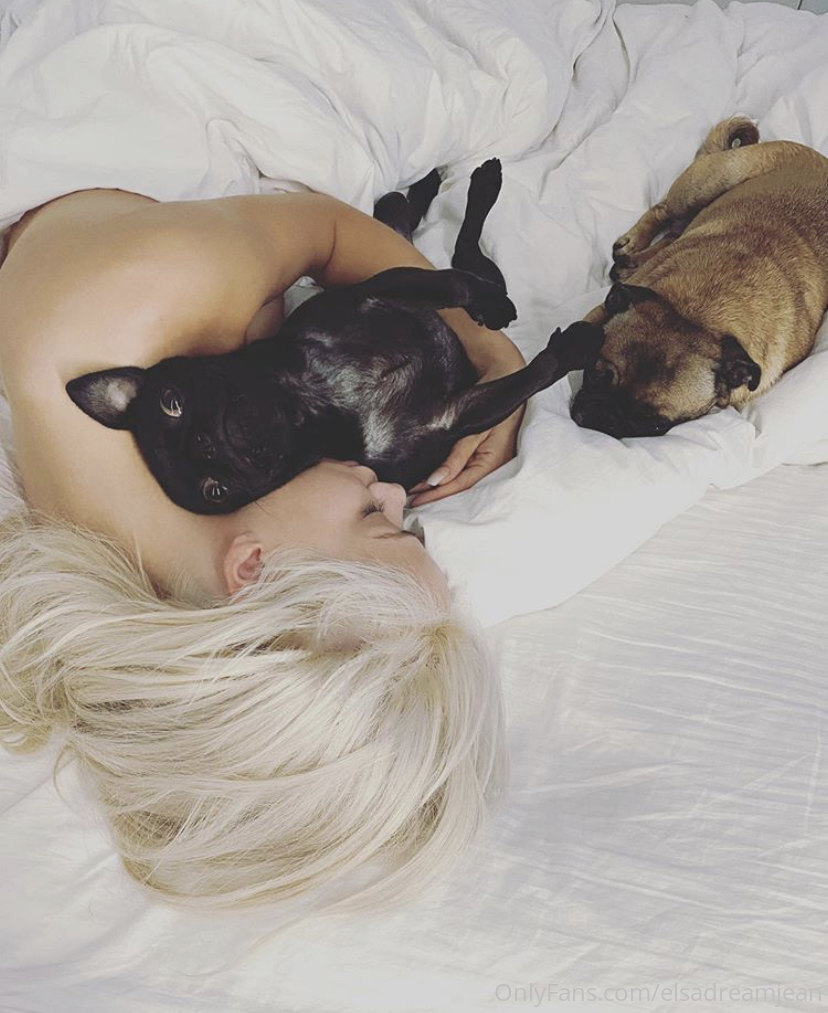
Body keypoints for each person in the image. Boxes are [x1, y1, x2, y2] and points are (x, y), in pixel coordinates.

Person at [0, 187, 523, 909]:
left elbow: (329, 230)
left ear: (251, 568)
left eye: (377, 520)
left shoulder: (159, 292)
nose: (397, 492)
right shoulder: (125, 571)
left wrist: (488, 344)